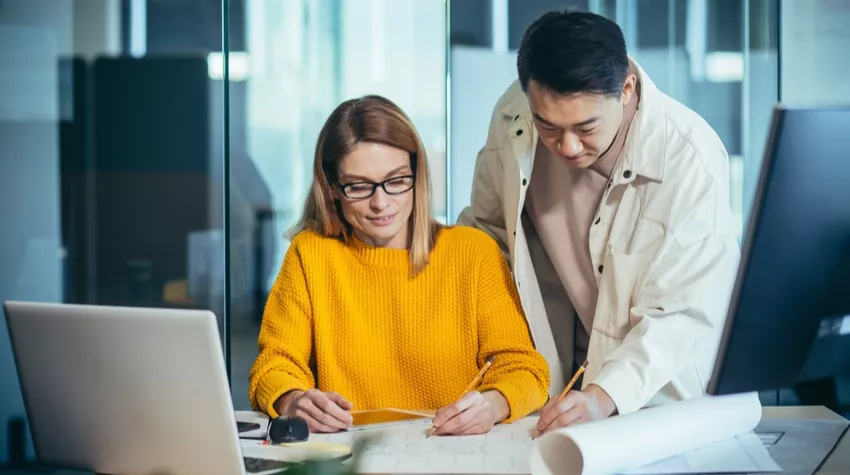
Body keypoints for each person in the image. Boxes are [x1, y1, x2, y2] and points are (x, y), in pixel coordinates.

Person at [457, 10, 741, 435]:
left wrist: (605, 395)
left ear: (626, 89)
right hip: (553, 389)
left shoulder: (690, 159)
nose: (567, 146)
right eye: (548, 126)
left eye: (585, 127)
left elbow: (682, 315)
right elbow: (488, 234)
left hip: (655, 400)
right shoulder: (514, 116)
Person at [248, 95, 549, 435]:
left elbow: (524, 369)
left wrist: (493, 404)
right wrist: (293, 400)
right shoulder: (311, 255)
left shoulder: (473, 253)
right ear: (332, 188)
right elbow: (274, 364)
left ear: (417, 175)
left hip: (453, 455)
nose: (381, 203)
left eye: (396, 180)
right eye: (359, 186)